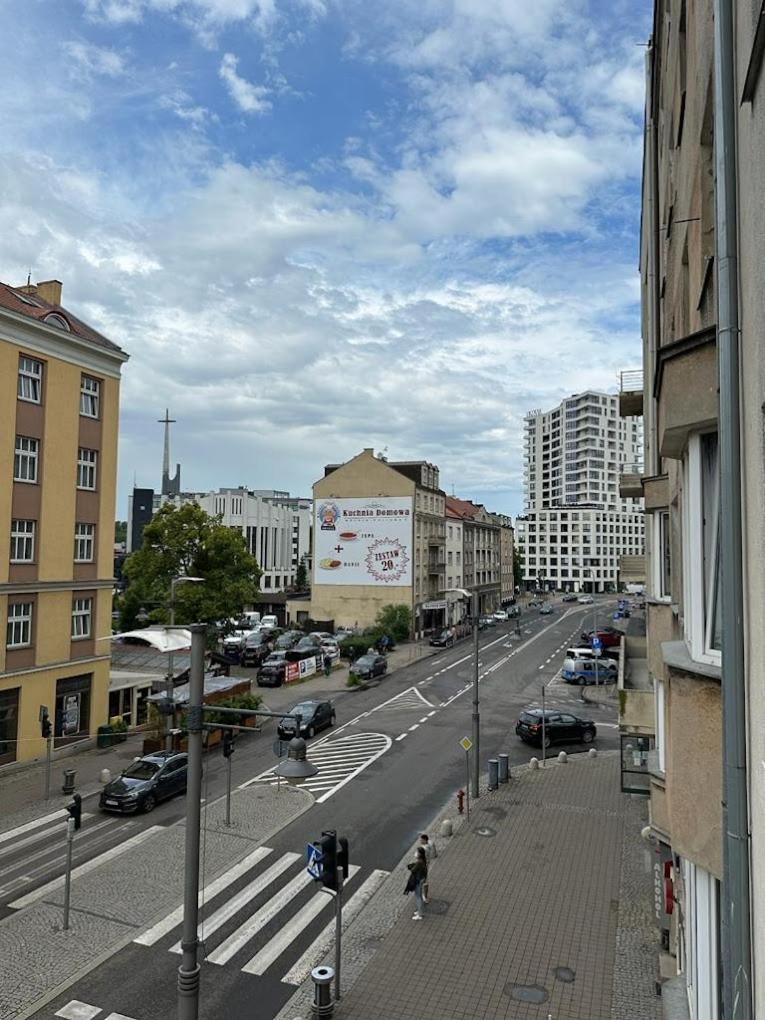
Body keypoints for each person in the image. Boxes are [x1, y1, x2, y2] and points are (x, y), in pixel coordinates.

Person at [407, 846, 428, 920]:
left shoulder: (419, 862)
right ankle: (419, 911)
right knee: (419, 896)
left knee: (418, 897)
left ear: (420, 854)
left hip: (418, 881)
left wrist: (411, 866)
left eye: (417, 852)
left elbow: (413, 870)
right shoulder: (422, 860)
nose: (416, 853)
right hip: (421, 879)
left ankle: (419, 914)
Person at [418, 833, 437, 903]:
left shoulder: (423, 849)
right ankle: (424, 895)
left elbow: (419, 857)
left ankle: (425, 897)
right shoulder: (428, 846)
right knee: (424, 881)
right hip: (425, 866)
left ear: (425, 840)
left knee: (424, 882)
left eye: (422, 840)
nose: (420, 841)